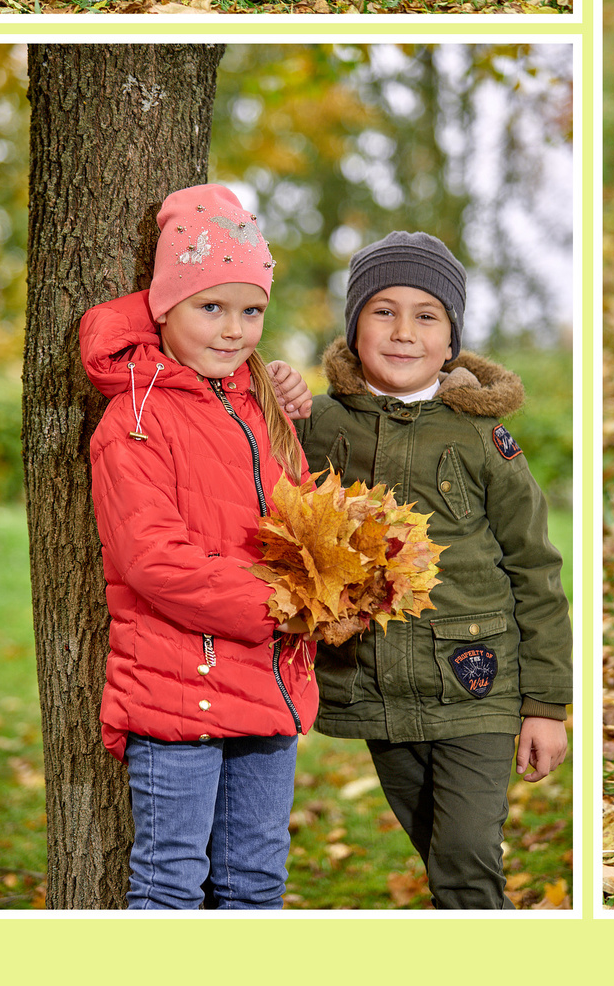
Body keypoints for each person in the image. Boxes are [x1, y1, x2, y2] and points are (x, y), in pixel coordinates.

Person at [270, 233, 571, 909]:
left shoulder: (480, 439)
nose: (404, 331)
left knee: (466, 856)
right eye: (383, 311)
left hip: (478, 683)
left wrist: (546, 706)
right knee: (437, 848)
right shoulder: (320, 424)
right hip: (376, 688)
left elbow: (535, 567)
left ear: (451, 339)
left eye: (426, 316)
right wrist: (277, 394)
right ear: (353, 327)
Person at [77, 185, 317, 909]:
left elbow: (306, 527)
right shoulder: (134, 421)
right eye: (210, 307)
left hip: (271, 687)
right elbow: (153, 560)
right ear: (164, 308)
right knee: (170, 880)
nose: (234, 329)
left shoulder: (263, 406)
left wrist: (329, 590)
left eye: (251, 310)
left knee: (255, 882)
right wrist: (281, 605)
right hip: (181, 687)